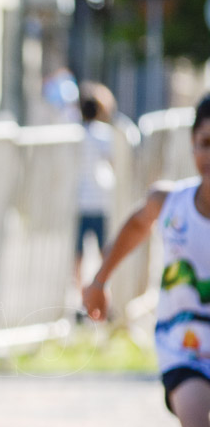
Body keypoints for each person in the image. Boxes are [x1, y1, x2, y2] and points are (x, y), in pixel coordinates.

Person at [83, 93, 210, 427]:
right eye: (205, 143)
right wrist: (99, 281)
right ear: (193, 145)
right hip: (187, 349)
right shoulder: (170, 202)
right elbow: (135, 229)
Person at [73, 83, 117, 294]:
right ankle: (102, 290)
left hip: (80, 200)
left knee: (78, 254)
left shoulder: (75, 134)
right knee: (103, 251)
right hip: (99, 200)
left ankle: (80, 292)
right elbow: (112, 162)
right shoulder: (104, 134)